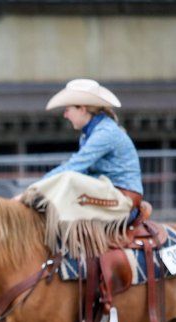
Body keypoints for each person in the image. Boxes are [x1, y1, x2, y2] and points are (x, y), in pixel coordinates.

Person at [39, 78, 144, 222]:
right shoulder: (90, 134)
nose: (65, 115)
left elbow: (74, 167)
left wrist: (36, 189)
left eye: (68, 109)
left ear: (82, 109)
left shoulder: (105, 133)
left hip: (122, 201)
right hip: (109, 195)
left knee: (68, 179)